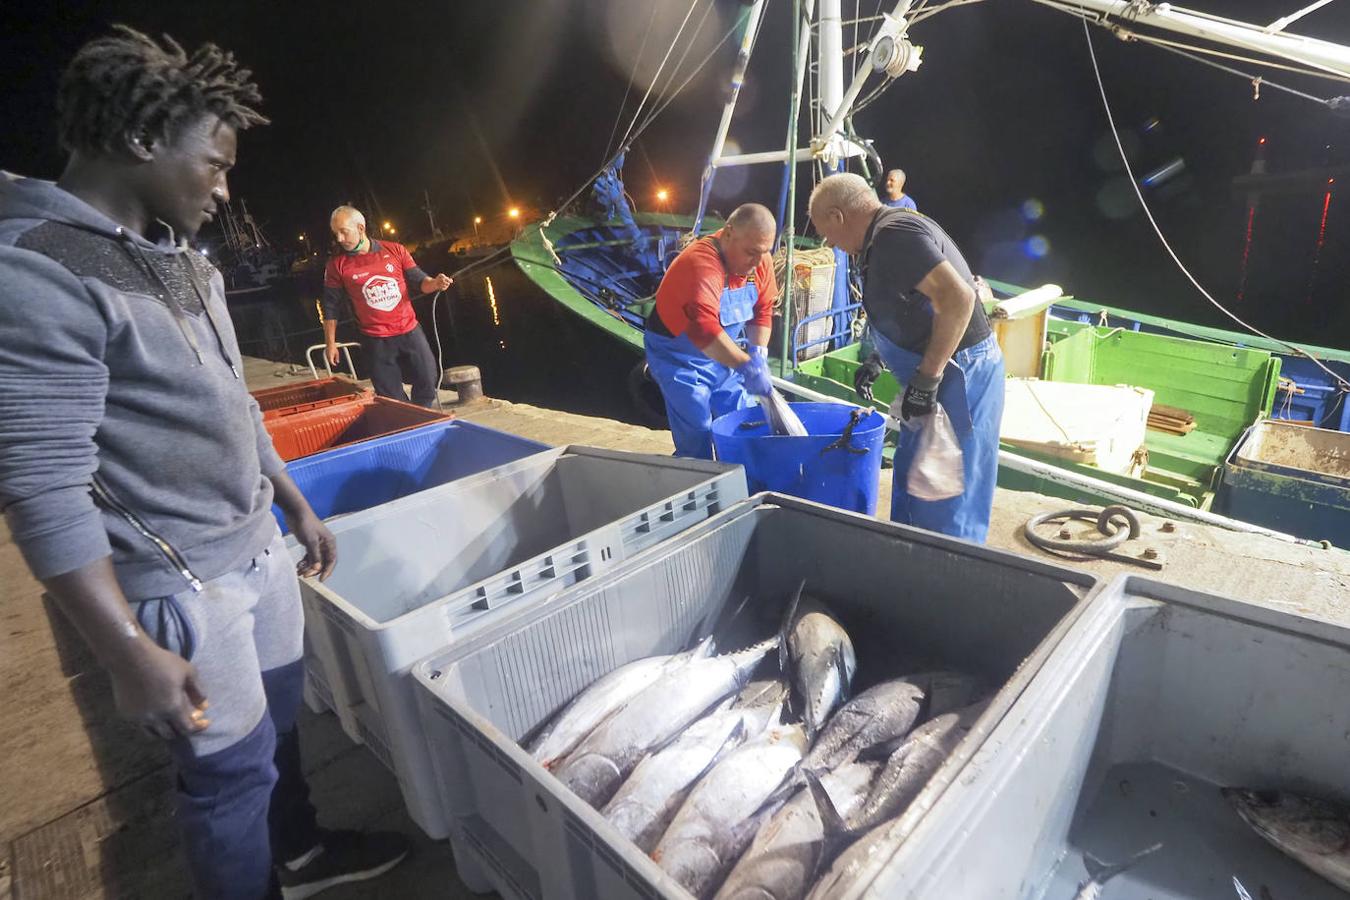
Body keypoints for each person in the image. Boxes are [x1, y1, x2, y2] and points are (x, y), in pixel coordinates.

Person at [0, 28, 409, 898]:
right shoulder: (35, 272)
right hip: (184, 586)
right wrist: (123, 651)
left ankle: (295, 852)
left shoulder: (182, 262)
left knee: (279, 730)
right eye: (214, 166)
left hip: (258, 547)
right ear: (143, 141)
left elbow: (232, 397)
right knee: (227, 780)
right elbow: (40, 482)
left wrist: (289, 497)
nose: (225, 189)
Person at [809, 173, 1004, 542]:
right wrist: (877, 359)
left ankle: (945, 579)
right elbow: (910, 308)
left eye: (827, 234)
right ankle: (909, 558)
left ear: (837, 215)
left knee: (947, 491)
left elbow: (958, 299)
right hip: (930, 376)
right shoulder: (881, 240)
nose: (831, 243)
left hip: (960, 375)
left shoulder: (896, 235)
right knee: (917, 477)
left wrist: (927, 379)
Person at [644, 203, 779, 459]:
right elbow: (704, 330)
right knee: (698, 433)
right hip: (679, 358)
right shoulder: (700, 265)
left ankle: (746, 479)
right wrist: (745, 365)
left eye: (764, 252)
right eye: (751, 252)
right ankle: (698, 483)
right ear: (728, 233)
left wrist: (758, 352)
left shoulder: (759, 260)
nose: (758, 262)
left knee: (743, 420)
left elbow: (763, 310)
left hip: (723, 355)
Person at [322, 206, 451, 408]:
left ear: (360, 228)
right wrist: (330, 343)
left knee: (428, 378)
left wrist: (435, 283)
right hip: (375, 339)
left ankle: (421, 412)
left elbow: (419, 281)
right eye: (335, 233)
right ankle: (405, 421)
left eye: (343, 232)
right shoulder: (336, 265)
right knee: (390, 396)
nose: (339, 238)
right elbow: (331, 305)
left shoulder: (394, 250)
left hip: (408, 329)